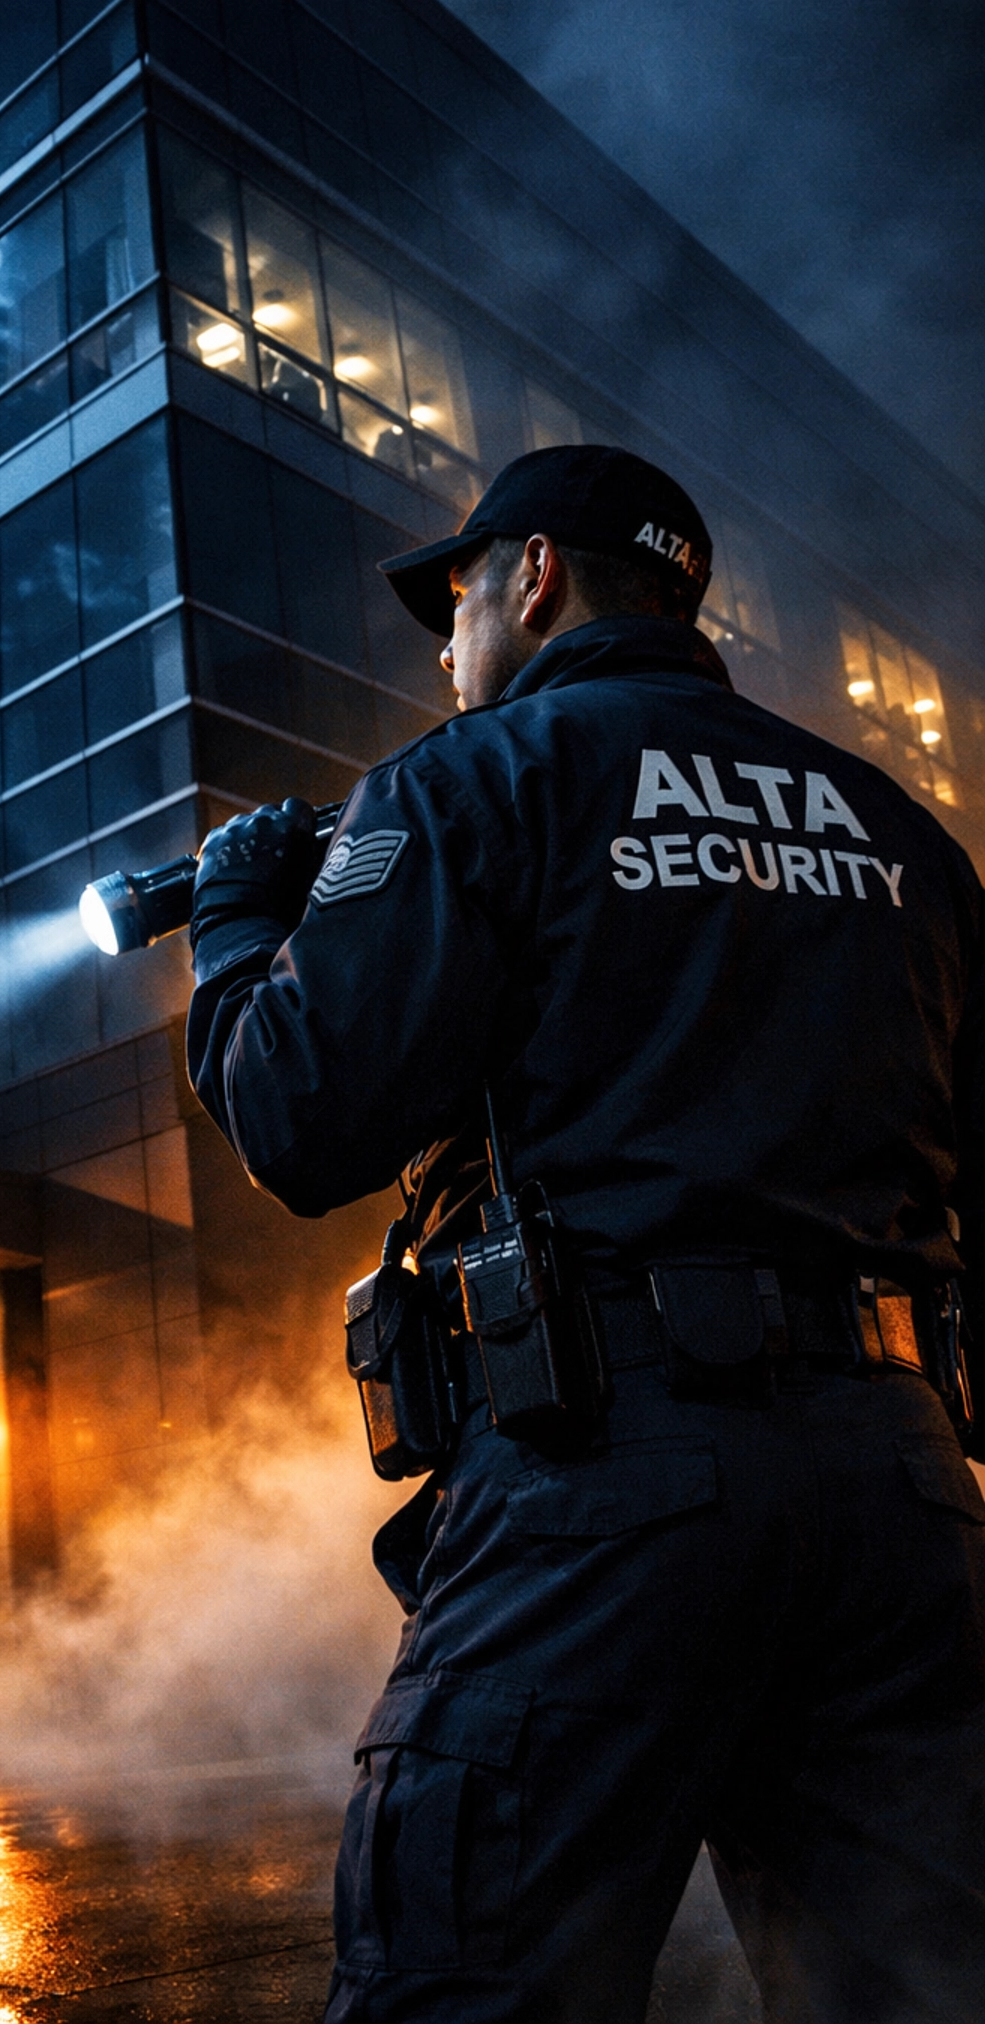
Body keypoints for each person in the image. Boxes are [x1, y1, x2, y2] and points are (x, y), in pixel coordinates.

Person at [183, 444, 985, 2023]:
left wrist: (236, 930)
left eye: (459, 599)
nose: (448, 644)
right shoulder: (904, 833)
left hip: (608, 1485)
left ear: (532, 577)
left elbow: (298, 1117)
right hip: (903, 1500)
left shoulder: (469, 783)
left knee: (466, 1983)